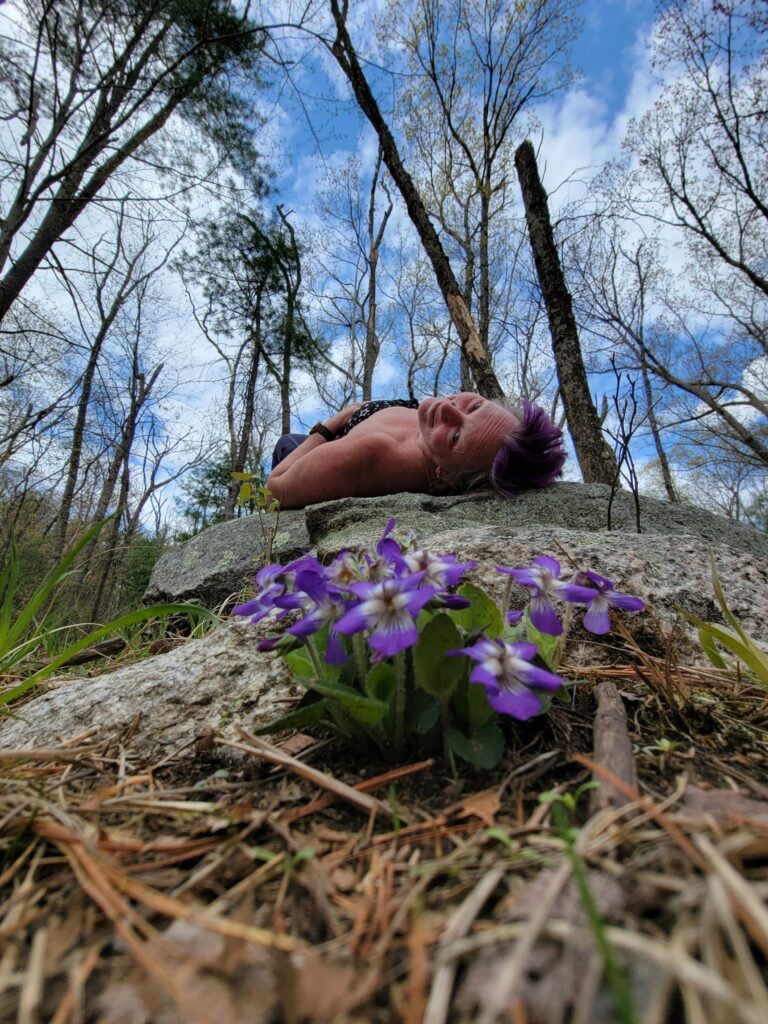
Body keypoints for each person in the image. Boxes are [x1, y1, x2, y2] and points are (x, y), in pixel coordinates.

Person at [266, 392, 565, 509]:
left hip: (319, 449)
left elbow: (275, 489)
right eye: (474, 406)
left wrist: (334, 423)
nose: (448, 407)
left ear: (446, 475)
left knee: (284, 443)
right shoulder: (434, 423)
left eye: (456, 436)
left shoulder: (368, 453)